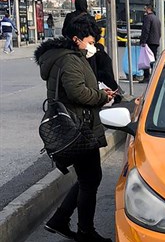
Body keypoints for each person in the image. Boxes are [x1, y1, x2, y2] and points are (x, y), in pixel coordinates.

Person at [34, 17, 115, 242]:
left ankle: (60, 220)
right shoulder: (69, 60)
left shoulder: (68, 57)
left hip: (78, 125)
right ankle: (85, 231)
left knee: (87, 178)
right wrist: (102, 96)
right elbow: (78, 93)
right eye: (91, 40)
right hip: (78, 127)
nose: (93, 45)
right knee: (90, 179)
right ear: (76, 38)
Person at [139, 4, 162, 83]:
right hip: (155, 41)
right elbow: (159, 31)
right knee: (153, 59)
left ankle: (146, 77)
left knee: (146, 60)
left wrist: (143, 41)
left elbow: (146, 30)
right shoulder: (156, 18)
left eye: (145, 8)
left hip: (148, 42)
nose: (144, 10)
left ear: (148, 9)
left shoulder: (148, 18)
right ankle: (155, 75)